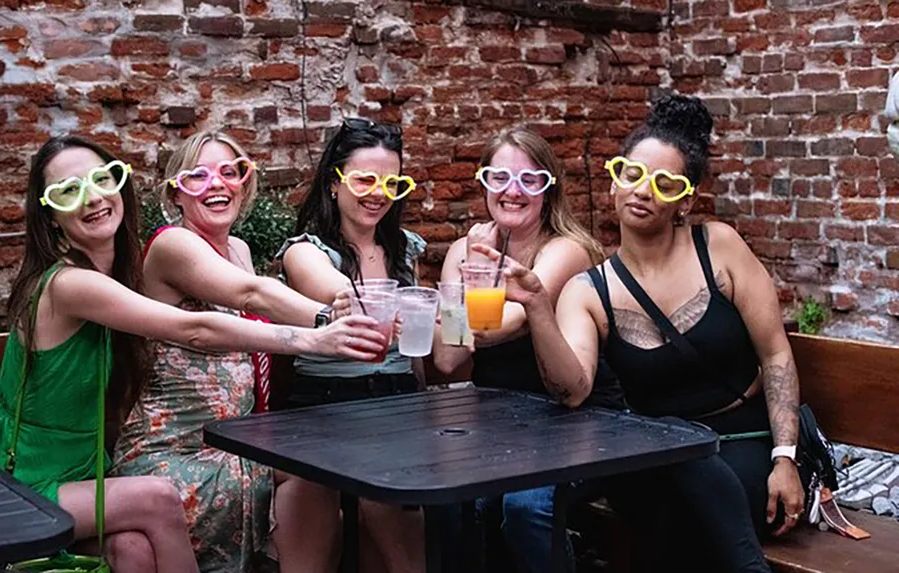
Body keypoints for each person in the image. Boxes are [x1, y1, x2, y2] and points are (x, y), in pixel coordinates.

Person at [0, 135, 387, 573]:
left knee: (134, 546)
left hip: (89, 468)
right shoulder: (72, 283)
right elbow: (197, 328)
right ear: (50, 215)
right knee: (158, 497)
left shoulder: (118, 273)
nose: (92, 197)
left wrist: (330, 319)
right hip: (28, 476)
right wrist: (320, 331)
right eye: (69, 190)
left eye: (101, 179)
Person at [472, 95, 805, 573]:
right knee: (666, 482)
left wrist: (786, 457)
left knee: (691, 477)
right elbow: (573, 390)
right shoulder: (591, 290)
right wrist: (538, 308)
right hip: (653, 448)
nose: (643, 190)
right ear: (614, 184)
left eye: (663, 182)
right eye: (632, 174)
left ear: (685, 199)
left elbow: (775, 355)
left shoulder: (720, 247)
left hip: (742, 440)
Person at [112, 131, 360, 573]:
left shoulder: (240, 250)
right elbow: (252, 294)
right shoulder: (172, 244)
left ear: (245, 185)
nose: (218, 185)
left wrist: (352, 314)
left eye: (231, 172)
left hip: (236, 445)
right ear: (176, 192)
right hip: (173, 452)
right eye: (199, 176)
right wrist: (328, 319)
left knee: (317, 478)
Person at [430, 126, 615, 573]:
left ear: (548, 192)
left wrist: (468, 283)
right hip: (502, 422)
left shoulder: (565, 251)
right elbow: (449, 359)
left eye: (529, 181)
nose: (513, 192)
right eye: (501, 178)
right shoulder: (464, 249)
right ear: (484, 183)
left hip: (575, 418)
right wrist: (469, 269)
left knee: (525, 507)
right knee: (452, 500)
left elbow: (500, 327)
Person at [275, 117, 426, 573]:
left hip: (399, 402)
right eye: (365, 179)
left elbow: (426, 354)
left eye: (391, 182)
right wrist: (376, 304)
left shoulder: (406, 251)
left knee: (392, 513)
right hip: (325, 406)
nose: (378, 192)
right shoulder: (307, 251)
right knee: (334, 496)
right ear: (335, 183)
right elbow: (339, 295)